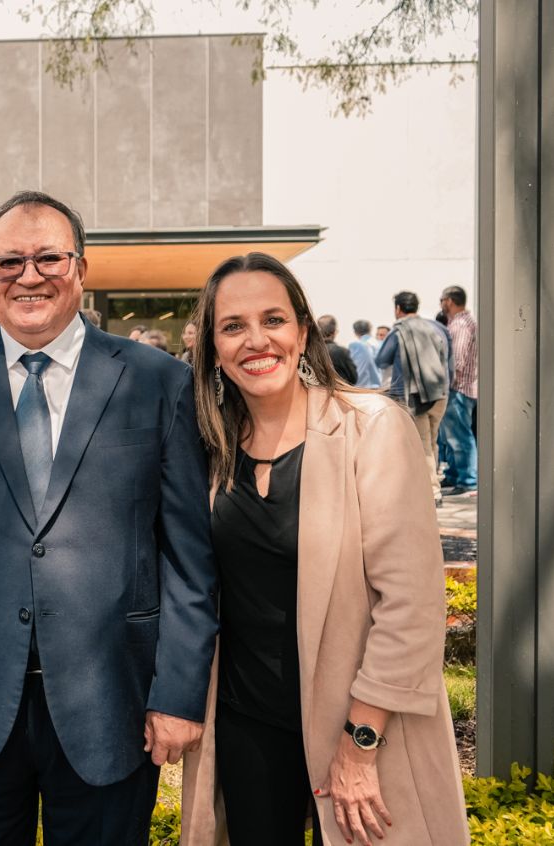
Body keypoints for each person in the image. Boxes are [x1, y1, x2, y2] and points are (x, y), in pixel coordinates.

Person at [0, 190, 216, 845]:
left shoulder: (158, 382)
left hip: (114, 703)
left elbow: (188, 556)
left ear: (81, 269)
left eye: (48, 259)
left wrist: (177, 693)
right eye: (8, 262)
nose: (28, 276)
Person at [180, 252, 468, 846]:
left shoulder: (370, 427)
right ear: (212, 346)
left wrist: (360, 743)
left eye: (273, 320)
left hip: (360, 723)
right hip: (246, 726)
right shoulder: (208, 447)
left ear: (303, 330)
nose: (256, 340)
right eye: (233, 326)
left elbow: (411, 604)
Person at [375, 292, 453, 504]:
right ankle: (431, 485)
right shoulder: (438, 328)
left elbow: (381, 360)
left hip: (416, 396)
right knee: (432, 441)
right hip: (440, 393)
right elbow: (449, 361)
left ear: (398, 309)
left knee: (422, 445)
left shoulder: (398, 331)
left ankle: (432, 492)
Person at [438, 286, 477, 495]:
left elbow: (458, 361)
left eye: (442, 300)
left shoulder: (460, 325)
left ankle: (467, 479)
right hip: (462, 388)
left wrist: (443, 384)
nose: (441, 304)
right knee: (452, 437)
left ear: (450, 301)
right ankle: (454, 475)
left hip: (458, 388)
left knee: (460, 437)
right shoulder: (464, 322)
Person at [316, 315, 358, 385]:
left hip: (316, 390)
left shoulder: (309, 351)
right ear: (335, 332)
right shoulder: (341, 351)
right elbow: (353, 377)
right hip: (339, 390)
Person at [347, 320, 382, 389]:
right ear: (370, 329)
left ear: (355, 332)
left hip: (362, 386)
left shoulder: (356, 345)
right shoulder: (378, 344)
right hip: (379, 384)